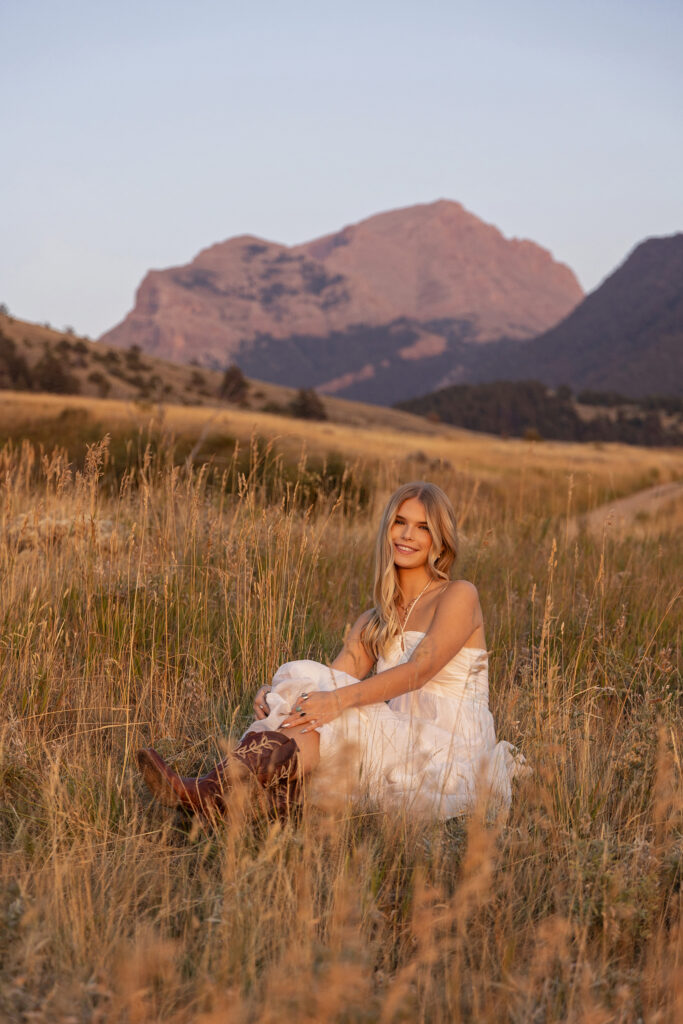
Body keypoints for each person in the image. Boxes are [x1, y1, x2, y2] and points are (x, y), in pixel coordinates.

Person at [137, 481, 523, 820]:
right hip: (399, 738)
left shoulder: (457, 595)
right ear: (387, 529)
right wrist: (278, 698)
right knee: (309, 703)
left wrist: (334, 700)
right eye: (399, 522)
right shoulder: (375, 619)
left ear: (440, 539)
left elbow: (419, 670)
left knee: (332, 706)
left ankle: (204, 792)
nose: (407, 535)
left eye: (422, 527)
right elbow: (330, 681)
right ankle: (226, 801)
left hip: (448, 745)